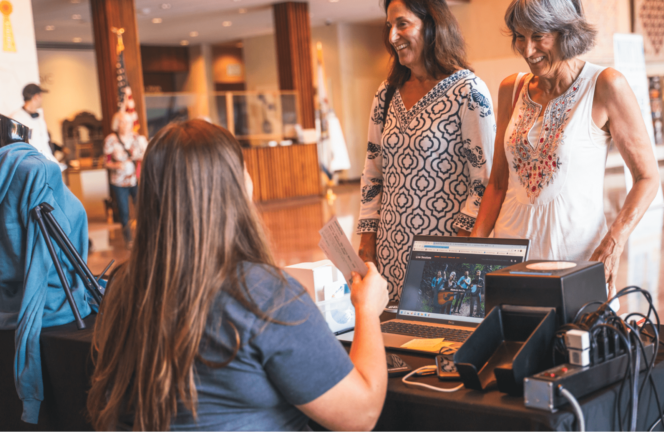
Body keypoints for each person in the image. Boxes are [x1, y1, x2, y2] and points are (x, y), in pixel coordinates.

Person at [86, 120, 389, 432]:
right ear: (236, 188)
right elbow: (360, 414)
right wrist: (367, 310)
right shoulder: (264, 294)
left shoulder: (123, 286)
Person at [470, 0, 660, 296]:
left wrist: (614, 242)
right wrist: (474, 249)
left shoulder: (605, 85)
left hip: (576, 260)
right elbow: (497, 182)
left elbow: (647, 177)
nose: (527, 50)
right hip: (511, 261)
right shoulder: (512, 88)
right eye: (520, 37)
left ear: (565, 31)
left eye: (538, 36)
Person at [357, 0, 496, 302]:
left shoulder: (468, 92)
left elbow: (483, 182)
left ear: (432, 25)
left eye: (402, 24)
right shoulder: (386, 93)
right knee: (392, 341)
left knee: (438, 344)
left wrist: (458, 252)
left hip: (443, 257)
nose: (393, 36)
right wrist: (367, 240)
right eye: (389, 26)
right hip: (389, 252)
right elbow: (372, 172)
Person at [103, 111, 148, 243]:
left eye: (128, 121)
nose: (125, 124)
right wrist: (116, 165)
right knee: (124, 211)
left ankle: (143, 236)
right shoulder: (111, 140)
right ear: (117, 124)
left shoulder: (136, 138)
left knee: (141, 208)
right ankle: (128, 238)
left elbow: (142, 155)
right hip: (119, 182)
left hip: (135, 179)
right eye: (122, 121)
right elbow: (107, 162)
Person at [9, 84, 66, 171]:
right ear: (36, 97)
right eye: (41, 96)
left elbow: (45, 143)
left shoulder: (39, 117)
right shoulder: (16, 118)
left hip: (47, 164)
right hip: (31, 167)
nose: (42, 99)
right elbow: (17, 147)